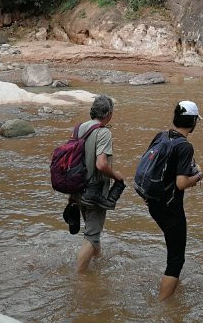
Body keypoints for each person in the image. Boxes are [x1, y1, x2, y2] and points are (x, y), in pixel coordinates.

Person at [144, 100, 203, 301]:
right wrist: (198, 176)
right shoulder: (185, 146)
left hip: (153, 203)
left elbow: (149, 168)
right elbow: (181, 183)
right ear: (193, 121)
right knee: (176, 258)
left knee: (173, 251)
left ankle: (169, 292)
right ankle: (163, 305)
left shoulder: (161, 136)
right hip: (171, 207)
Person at [71, 94, 125, 272]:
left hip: (77, 188)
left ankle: (98, 263)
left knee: (93, 231)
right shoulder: (103, 132)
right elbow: (101, 164)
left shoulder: (80, 128)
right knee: (92, 235)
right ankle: (79, 279)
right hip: (94, 192)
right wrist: (116, 175)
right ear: (109, 113)